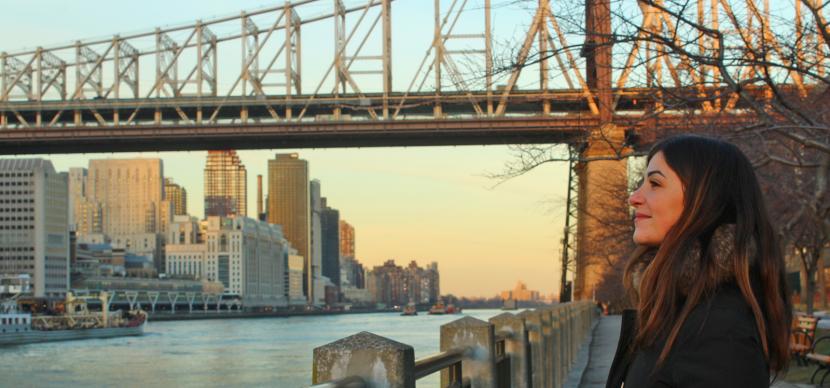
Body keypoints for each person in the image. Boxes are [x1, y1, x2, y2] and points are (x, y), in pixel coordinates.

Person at [606, 135, 791, 387]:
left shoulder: (718, 330)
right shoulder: (678, 309)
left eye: (655, 184)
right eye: (641, 183)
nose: (634, 197)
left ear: (705, 200)